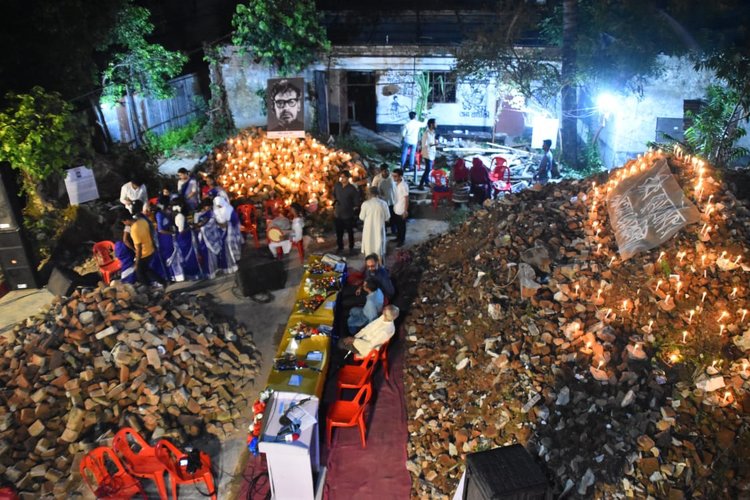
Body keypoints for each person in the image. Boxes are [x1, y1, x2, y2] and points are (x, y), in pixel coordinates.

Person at [119, 206, 164, 288]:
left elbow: (138, 248)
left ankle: (148, 287)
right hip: (150, 248)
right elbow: (150, 234)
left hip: (144, 253)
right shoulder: (142, 221)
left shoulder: (134, 230)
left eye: (124, 222)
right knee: (146, 269)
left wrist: (137, 262)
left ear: (126, 220)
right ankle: (162, 282)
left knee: (139, 273)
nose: (125, 224)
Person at [172, 199, 202, 280]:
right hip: (185, 238)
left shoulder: (176, 215)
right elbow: (181, 230)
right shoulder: (180, 216)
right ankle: (193, 274)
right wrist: (190, 227)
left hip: (183, 239)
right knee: (190, 256)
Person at [213, 196, 243, 274]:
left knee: (229, 247)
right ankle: (225, 267)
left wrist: (227, 224)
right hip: (220, 232)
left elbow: (234, 221)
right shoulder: (215, 211)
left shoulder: (229, 209)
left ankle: (233, 263)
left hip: (230, 231)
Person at [359, 186, 391, 261]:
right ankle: (380, 266)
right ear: (378, 193)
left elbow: (361, 217)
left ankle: (369, 265)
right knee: (379, 249)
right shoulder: (384, 203)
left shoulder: (365, 204)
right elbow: (387, 218)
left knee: (368, 248)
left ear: (369, 194)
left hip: (368, 230)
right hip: (379, 229)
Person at [154, 203, 184, 282]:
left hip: (170, 238)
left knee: (175, 257)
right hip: (165, 239)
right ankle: (173, 276)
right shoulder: (159, 215)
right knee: (170, 258)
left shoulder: (166, 215)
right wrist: (172, 233)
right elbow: (161, 230)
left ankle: (179, 276)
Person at [333, 170, 360, 253]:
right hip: (338, 213)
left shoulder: (352, 189)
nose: (341, 179)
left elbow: (356, 202)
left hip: (348, 214)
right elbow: (334, 195)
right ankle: (340, 247)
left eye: (343, 177)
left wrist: (354, 210)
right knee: (339, 232)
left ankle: (351, 247)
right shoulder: (337, 186)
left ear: (348, 178)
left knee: (350, 231)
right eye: (341, 177)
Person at [372, 164, 396, 235]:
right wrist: (378, 193)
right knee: (382, 217)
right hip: (382, 202)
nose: (387, 172)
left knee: (392, 217)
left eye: (388, 171)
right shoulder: (377, 178)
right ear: (381, 171)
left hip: (392, 201)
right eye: (385, 171)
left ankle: (393, 231)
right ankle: (383, 231)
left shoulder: (392, 177)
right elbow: (373, 189)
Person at [113, 208, 136, 284]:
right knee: (128, 265)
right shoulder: (125, 225)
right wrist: (134, 249)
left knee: (127, 264)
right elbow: (126, 240)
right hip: (124, 247)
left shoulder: (116, 226)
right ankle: (128, 282)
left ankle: (130, 280)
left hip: (118, 246)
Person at [391, 168, 409, 247]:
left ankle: (402, 240)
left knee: (402, 226)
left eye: (395, 176)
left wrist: (405, 211)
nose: (394, 178)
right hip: (396, 208)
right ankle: (398, 238)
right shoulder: (396, 184)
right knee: (398, 225)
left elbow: (407, 198)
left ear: (400, 176)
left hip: (401, 209)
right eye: (393, 176)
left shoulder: (403, 186)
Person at [418, 118, 438, 189]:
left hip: (431, 153)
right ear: (431, 124)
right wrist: (433, 144)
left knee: (429, 169)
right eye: (435, 123)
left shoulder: (432, 132)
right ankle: (421, 184)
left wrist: (434, 144)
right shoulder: (426, 133)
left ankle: (426, 182)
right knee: (428, 169)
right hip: (427, 153)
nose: (437, 124)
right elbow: (423, 145)